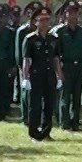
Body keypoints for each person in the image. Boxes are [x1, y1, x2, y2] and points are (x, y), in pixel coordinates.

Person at [21, 7, 60, 141]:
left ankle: (46, 132)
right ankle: (33, 133)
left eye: (47, 20)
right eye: (41, 20)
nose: (45, 23)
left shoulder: (53, 39)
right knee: (35, 105)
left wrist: (59, 76)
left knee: (49, 105)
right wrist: (26, 78)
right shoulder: (30, 39)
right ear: (36, 22)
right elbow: (26, 59)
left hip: (49, 76)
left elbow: (56, 58)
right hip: (36, 76)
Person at [54, 0, 82, 130]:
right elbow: (56, 54)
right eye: (69, 12)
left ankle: (75, 122)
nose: (72, 15)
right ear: (65, 14)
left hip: (79, 67)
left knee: (77, 97)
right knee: (65, 97)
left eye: (75, 12)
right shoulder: (60, 32)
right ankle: (64, 122)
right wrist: (59, 72)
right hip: (66, 67)